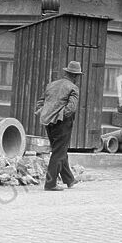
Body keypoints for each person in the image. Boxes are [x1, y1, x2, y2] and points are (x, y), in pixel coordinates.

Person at [35, 60, 82, 191]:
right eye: (78, 76)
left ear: (66, 72)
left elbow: (40, 103)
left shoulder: (51, 85)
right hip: (62, 124)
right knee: (58, 153)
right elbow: (71, 109)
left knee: (61, 151)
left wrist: (46, 114)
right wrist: (60, 117)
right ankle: (50, 184)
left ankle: (69, 180)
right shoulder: (73, 88)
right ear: (75, 76)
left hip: (48, 123)